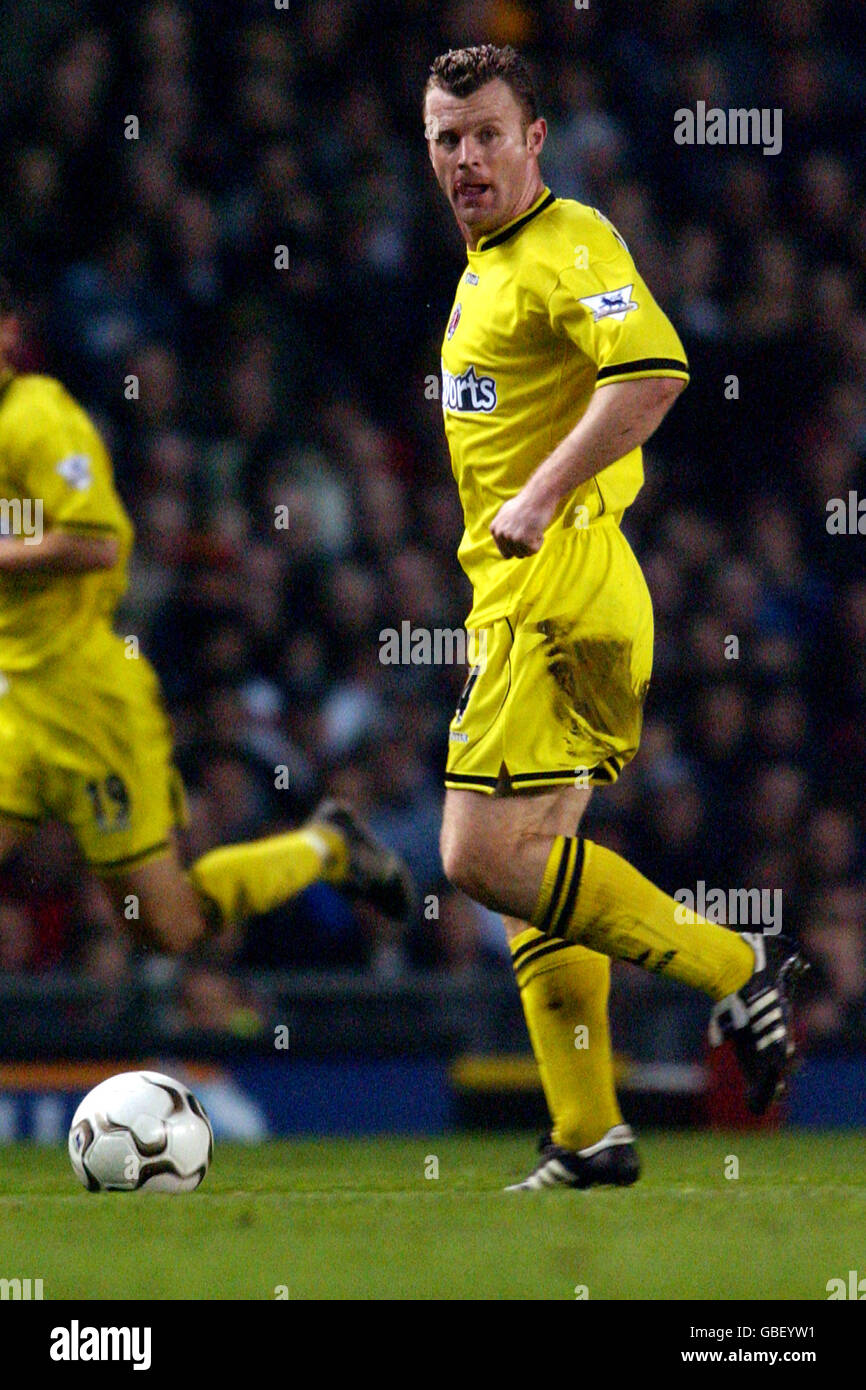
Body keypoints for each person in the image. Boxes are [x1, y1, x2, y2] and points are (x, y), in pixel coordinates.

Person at [423, 44, 806, 1190]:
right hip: (544, 587)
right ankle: (589, 1132)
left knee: (477, 855)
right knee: (535, 862)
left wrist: (540, 494)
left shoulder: (568, 241)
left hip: (559, 586)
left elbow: (649, 372)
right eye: (447, 137)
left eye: (488, 132)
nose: (466, 157)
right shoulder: (487, 266)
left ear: (534, 139)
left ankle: (730, 961)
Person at [0, 278, 412, 960]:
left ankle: (327, 845)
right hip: (14, 700)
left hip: (86, 704)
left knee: (169, 925)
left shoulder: (37, 420)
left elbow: (98, 541)